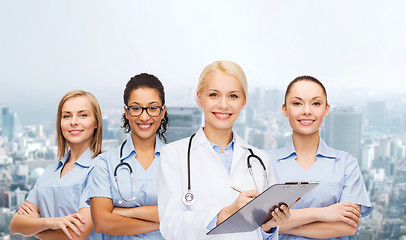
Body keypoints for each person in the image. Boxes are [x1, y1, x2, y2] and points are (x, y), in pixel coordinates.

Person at [158, 60, 291, 240]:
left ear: (243, 101)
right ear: (199, 98)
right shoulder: (173, 155)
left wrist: (269, 226)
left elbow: (261, 233)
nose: (223, 104)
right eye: (214, 95)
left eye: (233, 96)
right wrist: (225, 214)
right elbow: (170, 227)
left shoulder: (260, 159)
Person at [269, 76, 372, 239]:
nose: (307, 111)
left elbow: (348, 226)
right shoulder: (264, 162)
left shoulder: (346, 164)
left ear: (326, 109)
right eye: (297, 103)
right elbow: (255, 222)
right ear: (285, 109)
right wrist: (324, 213)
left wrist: (280, 226)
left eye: (316, 103)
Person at [10, 90, 103, 240]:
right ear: (60, 123)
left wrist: (34, 227)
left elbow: (77, 233)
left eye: (83, 115)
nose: (74, 121)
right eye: (67, 116)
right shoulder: (49, 172)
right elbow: (16, 224)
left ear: (96, 122)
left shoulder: (100, 169)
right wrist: (51, 222)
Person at [88, 73, 168, 240]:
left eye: (152, 108)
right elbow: (102, 223)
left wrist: (129, 212)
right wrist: (163, 222)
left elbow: (187, 214)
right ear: (126, 111)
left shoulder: (178, 160)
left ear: (162, 112)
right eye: (136, 108)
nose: (144, 117)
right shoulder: (105, 163)